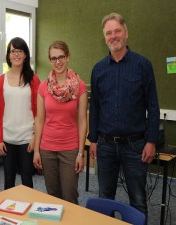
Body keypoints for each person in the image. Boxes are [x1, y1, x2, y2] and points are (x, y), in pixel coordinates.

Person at [87, 12, 160, 218]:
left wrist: (151, 141)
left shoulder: (143, 65)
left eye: (117, 31)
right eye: (108, 33)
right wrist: (93, 139)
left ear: (126, 33)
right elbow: (96, 108)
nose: (113, 36)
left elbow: (153, 106)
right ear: (104, 37)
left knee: (138, 200)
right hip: (106, 145)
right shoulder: (98, 69)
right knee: (104, 199)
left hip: (135, 146)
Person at [33, 40, 87, 204]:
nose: (58, 62)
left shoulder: (80, 87)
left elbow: (83, 121)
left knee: (70, 196)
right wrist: (36, 151)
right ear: (50, 61)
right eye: (54, 58)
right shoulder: (43, 87)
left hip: (70, 149)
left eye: (61, 57)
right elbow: (39, 120)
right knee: (53, 196)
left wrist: (80, 153)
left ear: (68, 57)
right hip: (47, 149)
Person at [0, 37, 41, 190]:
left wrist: (35, 137)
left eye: (20, 51)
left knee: (27, 180)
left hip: (27, 139)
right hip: (7, 139)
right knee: (8, 180)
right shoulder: (1, 80)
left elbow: (39, 112)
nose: (16, 54)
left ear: (25, 55)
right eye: (13, 51)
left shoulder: (33, 79)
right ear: (8, 55)